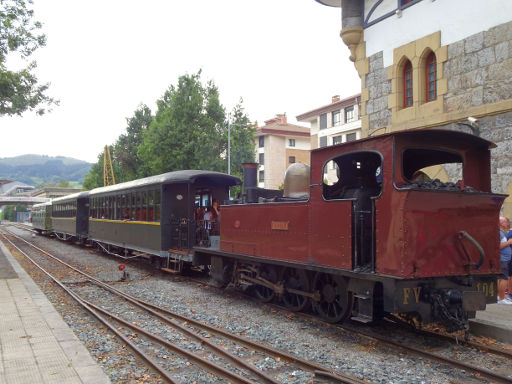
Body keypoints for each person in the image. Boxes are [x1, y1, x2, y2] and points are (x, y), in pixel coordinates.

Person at [498, 216, 512, 304]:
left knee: (502, 278)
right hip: (503, 258)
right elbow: (498, 246)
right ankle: (501, 298)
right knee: (504, 278)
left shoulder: (502, 232)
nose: (508, 223)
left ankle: (500, 297)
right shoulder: (499, 233)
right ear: (502, 223)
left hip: (504, 258)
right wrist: (509, 242)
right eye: (506, 222)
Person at [506, 218, 512, 300]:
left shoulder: (508, 233)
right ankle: (510, 293)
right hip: (510, 257)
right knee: (510, 276)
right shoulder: (510, 233)